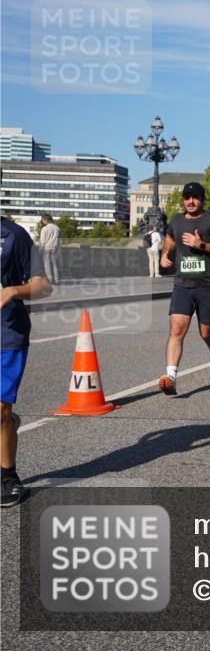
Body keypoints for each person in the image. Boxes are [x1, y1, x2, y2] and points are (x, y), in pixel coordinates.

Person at [158, 182, 210, 395]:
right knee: (176, 329)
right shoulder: (177, 220)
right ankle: (171, 377)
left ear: (202, 199)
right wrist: (165, 254)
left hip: (209, 285)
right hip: (183, 285)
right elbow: (170, 238)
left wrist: (201, 244)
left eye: (195, 197)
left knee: (206, 332)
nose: (190, 201)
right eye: (187, 197)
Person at [1, 217, 53, 507]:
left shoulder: (14, 235)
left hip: (7, 333)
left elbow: (43, 286)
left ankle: (7, 476)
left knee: (0, 409)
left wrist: (13, 291)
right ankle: (8, 423)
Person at [38, 214, 60, 285]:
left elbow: (42, 241)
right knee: (54, 264)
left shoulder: (44, 229)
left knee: (47, 265)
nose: (43, 222)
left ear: (46, 220)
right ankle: (57, 280)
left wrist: (40, 250)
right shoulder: (57, 228)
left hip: (46, 248)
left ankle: (50, 280)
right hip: (55, 248)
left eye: (43, 220)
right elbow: (59, 240)